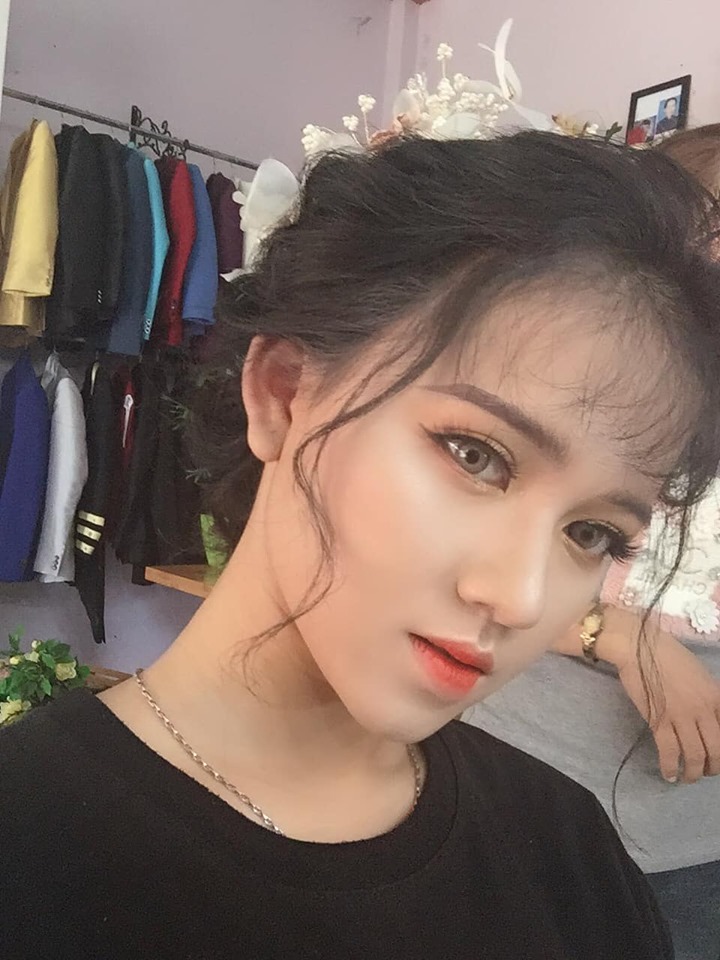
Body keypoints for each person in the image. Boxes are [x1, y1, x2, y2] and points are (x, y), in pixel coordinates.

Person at [2, 132, 720, 959]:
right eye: (475, 456)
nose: (521, 597)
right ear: (283, 394)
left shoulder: (568, 850)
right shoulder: (30, 849)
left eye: (591, 534)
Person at [471, 125, 720, 960]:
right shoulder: (578, 379)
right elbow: (474, 561)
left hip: (696, 855)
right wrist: (614, 633)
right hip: (517, 789)